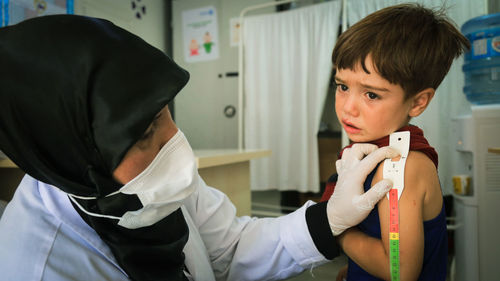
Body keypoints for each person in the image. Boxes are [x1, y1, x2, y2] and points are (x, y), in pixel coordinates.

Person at [0, 15, 398, 281]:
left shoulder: (149, 182)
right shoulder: (36, 266)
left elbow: (229, 246)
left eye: (166, 112)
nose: (175, 142)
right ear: (69, 156)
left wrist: (328, 220)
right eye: (142, 133)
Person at [320, 4, 470, 281]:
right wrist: (355, 268)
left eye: (372, 95)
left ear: (417, 102)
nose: (348, 108)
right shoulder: (371, 150)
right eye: (342, 86)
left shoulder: (400, 165)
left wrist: (335, 228)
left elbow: (398, 270)